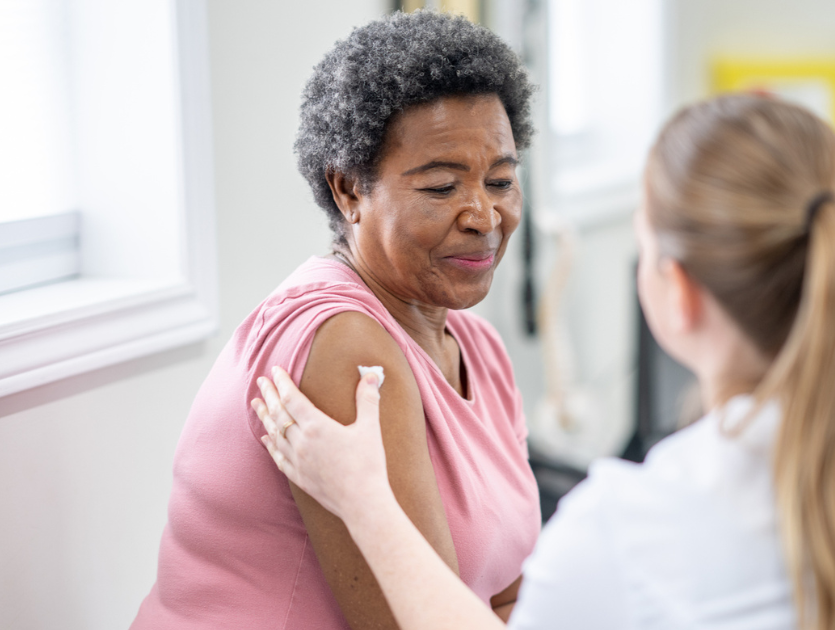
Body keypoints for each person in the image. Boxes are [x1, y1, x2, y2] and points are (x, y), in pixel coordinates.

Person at [252, 94, 835, 629]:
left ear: (675, 295)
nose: (482, 215)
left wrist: (363, 497)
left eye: (502, 179)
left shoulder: (633, 530)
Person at [131, 12, 541, 629]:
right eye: (440, 188)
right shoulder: (345, 345)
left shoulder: (478, 347)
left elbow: (508, 594)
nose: (484, 215)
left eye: (501, 181)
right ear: (349, 190)